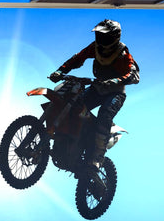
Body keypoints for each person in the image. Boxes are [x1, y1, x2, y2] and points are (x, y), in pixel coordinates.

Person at [49, 19, 140, 171]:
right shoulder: (95, 47)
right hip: (97, 88)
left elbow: (134, 75)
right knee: (73, 105)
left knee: (104, 116)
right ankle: (68, 140)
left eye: (104, 35)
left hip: (115, 93)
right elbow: (78, 58)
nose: (101, 38)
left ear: (114, 36)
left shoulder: (122, 54)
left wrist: (116, 81)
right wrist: (61, 71)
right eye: (99, 34)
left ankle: (97, 157)